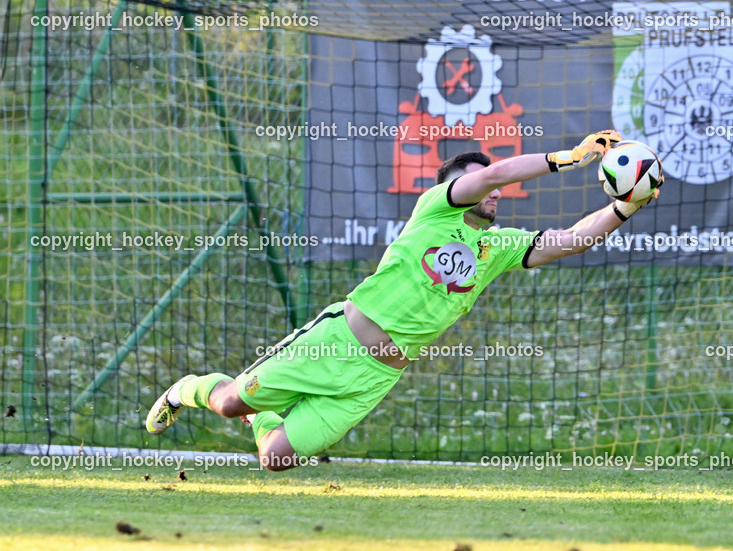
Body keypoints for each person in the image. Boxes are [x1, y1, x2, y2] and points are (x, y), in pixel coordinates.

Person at [145, 130, 660, 471]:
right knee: (231, 399)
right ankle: (189, 389)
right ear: (454, 187)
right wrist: (566, 158)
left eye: (497, 190)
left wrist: (623, 206)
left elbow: (570, 239)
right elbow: (494, 174)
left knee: (274, 460)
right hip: (337, 342)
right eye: (483, 185)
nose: (496, 193)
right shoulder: (434, 210)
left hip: (378, 375)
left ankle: (262, 417)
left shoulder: (497, 247)